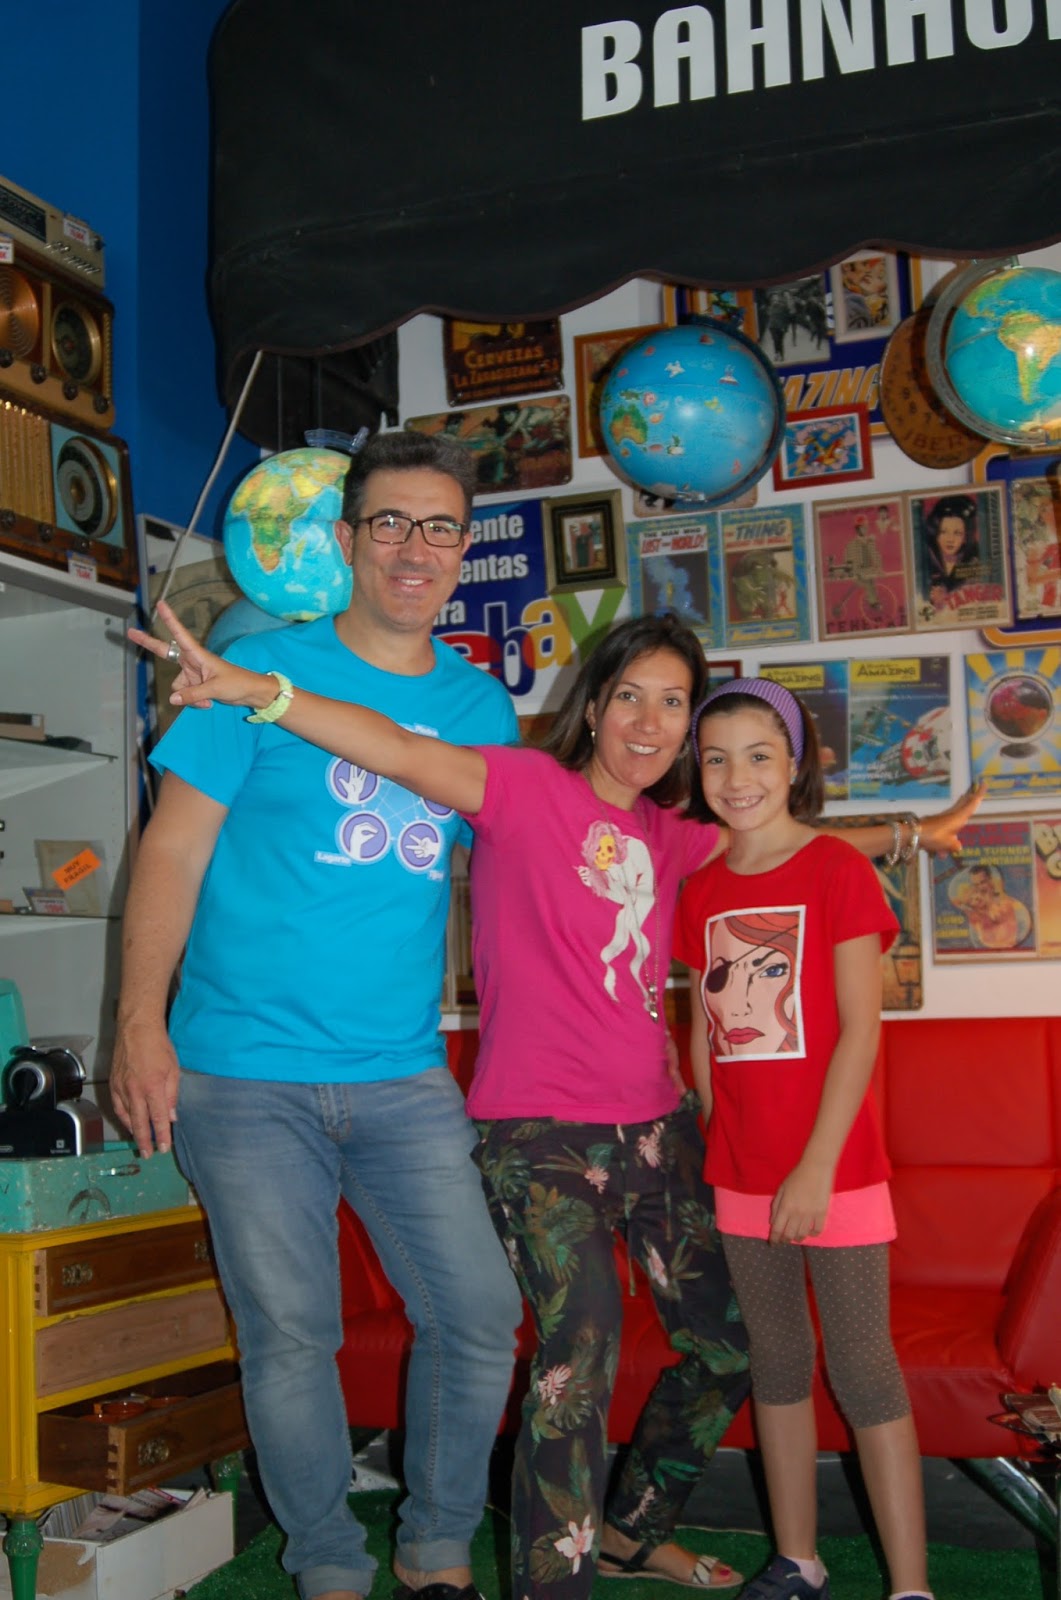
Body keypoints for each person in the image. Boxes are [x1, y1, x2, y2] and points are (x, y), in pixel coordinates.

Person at [129, 601, 981, 1600]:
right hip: (539, 1135)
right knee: (578, 1355)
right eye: (629, 696)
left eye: (673, 703)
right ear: (593, 706)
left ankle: (626, 1531)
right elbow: (395, 750)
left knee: (730, 1342)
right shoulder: (518, 785)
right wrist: (262, 692)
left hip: (657, 1128)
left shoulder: (674, 835)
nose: (648, 720)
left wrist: (911, 833)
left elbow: (779, 841)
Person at [110, 430, 526, 1600]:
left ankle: (435, 1549)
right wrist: (137, 1022)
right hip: (241, 1072)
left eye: (438, 527)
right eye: (388, 523)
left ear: (462, 549)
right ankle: (328, 1567)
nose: (413, 548)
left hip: (400, 1071)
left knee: (477, 1312)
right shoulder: (252, 666)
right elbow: (171, 851)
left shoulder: (478, 706)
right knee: (290, 1333)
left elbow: (520, 869)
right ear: (345, 540)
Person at [675, 677, 950, 1600]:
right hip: (741, 1174)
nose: (736, 777)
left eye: (758, 756)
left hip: (836, 1172)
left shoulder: (836, 869)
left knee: (864, 1369)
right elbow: (705, 1029)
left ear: (794, 765)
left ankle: (909, 1585)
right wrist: (715, 1135)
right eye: (716, 759)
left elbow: (861, 1031)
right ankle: (797, 1560)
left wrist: (815, 1167)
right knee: (778, 1364)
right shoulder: (701, 887)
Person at [922, 493, 980, 605]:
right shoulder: (926, 556)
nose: (950, 539)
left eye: (957, 533)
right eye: (943, 532)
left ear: (966, 536)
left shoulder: (975, 557)